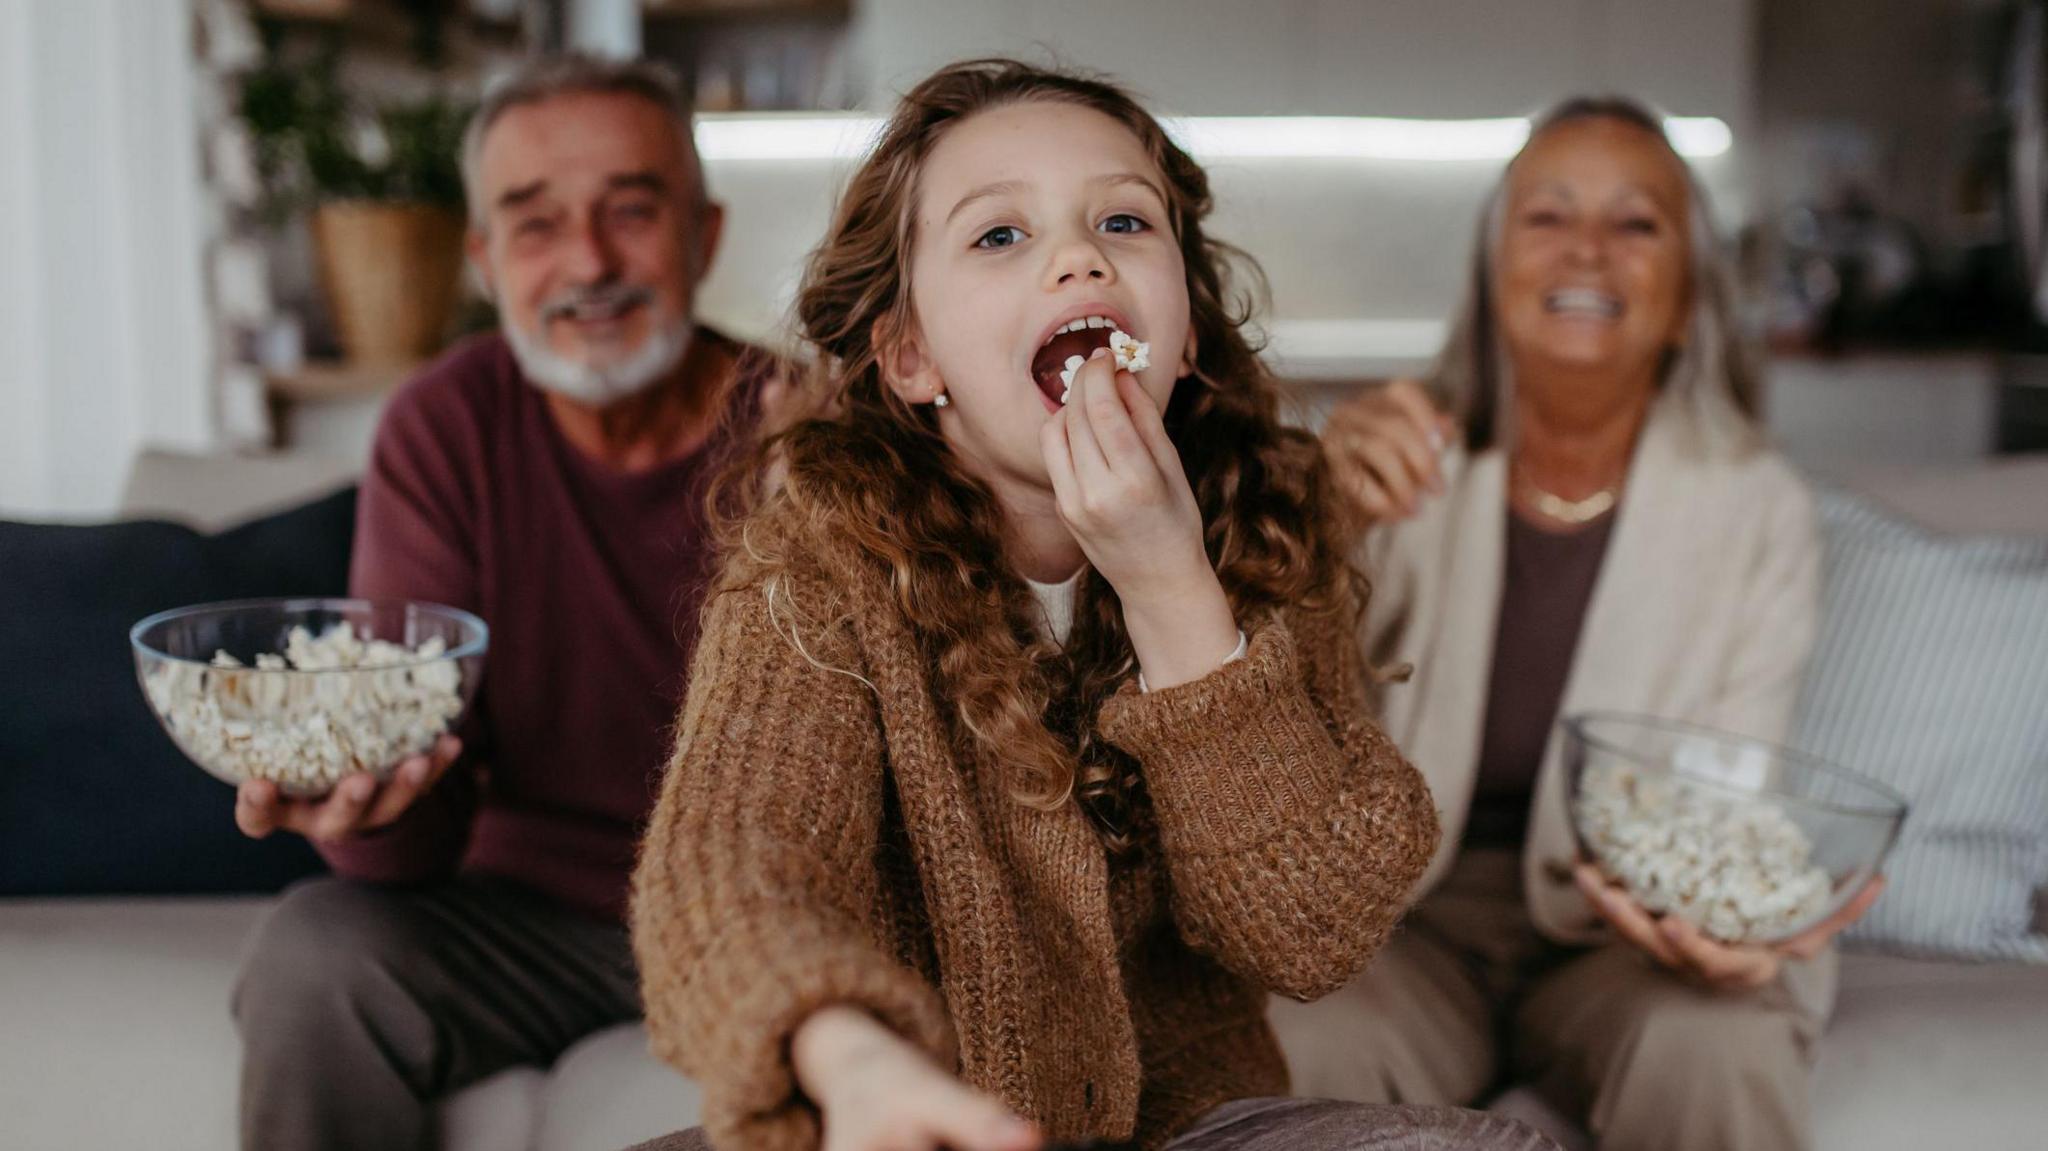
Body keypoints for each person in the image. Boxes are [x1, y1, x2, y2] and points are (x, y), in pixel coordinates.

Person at [624, 59, 1558, 1151]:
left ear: (1187, 331)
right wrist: (847, 1053)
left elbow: (1312, 932)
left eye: (1122, 220)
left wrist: (1170, 584)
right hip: (890, 1114)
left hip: (1190, 1125)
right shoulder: (817, 567)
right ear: (911, 355)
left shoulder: (1262, 532)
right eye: (997, 236)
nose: (1079, 256)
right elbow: (734, 860)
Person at [1288, 96, 1884, 1151]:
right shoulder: (1391, 458)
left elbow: (1731, 795)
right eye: (1548, 216)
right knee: (1303, 1045)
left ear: (1688, 284)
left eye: (1635, 223)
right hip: (1405, 922)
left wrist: (1735, 925)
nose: (1587, 252)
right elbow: (1277, 713)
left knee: (1713, 1049)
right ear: (1491, 263)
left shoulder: (1756, 508)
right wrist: (1314, 520)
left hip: (1630, 937)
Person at [228, 55, 772, 1151]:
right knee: (315, 949)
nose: (588, 261)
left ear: (703, 236)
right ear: (484, 258)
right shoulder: (445, 425)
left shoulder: (805, 431)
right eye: (535, 224)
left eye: (631, 209)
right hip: (528, 919)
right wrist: (369, 807)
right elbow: (414, 803)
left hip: (770, 914)